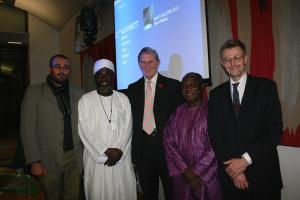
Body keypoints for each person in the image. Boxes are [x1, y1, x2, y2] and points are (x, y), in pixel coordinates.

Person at [208, 39, 283, 200]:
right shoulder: (215, 95)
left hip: (263, 176)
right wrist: (234, 169)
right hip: (230, 178)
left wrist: (244, 161)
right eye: (227, 59)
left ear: (245, 59)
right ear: (222, 63)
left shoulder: (267, 88)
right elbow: (215, 134)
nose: (233, 63)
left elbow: (275, 131)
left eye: (237, 57)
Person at [20, 54, 84, 200]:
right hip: (47, 159)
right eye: (57, 66)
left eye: (66, 67)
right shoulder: (34, 92)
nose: (62, 70)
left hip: (74, 158)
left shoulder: (79, 94)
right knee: (51, 197)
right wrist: (34, 161)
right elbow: (27, 130)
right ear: (50, 69)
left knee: (73, 196)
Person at [127, 47, 183, 200]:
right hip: (143, 152)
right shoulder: (132, 89)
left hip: (168, 151)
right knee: (149, 194)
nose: (147, 66)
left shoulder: (173, 86)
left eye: (150, 62)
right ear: (139, 64)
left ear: (158, 63)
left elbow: (180, 121)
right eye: (143, 62)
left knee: (172, 193)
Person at [78, 59, 136, 200]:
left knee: (123, 192)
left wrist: (119, 151)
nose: (103, 78)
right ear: (95, 78)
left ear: (113, 77)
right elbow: (85, 131)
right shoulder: (85, 100)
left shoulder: (123, 99)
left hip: (120, 158)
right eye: (99, 75)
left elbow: (128, 128)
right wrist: (105, 150)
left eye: (107, 74)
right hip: (97, 159)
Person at [164, 72, 223, 200]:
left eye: (192, 85)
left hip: (207, 177)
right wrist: (185, 170)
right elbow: (168, 142)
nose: (188, 88)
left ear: (202, 87)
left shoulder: (212, 110)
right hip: (182, 177)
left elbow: (216, 144)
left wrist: (196, 171)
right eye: (184, 86)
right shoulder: (177, 112)